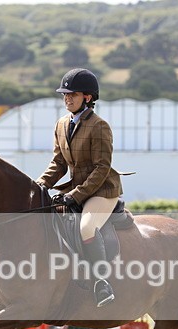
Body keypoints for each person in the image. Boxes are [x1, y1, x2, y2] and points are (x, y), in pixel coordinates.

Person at [35, 68, 122, 308]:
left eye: (72, 94)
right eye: (65, 94)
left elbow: (102, 167)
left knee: (86, 227)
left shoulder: (99, 126)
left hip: (102, 190)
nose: (66, 98)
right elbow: (59, 163)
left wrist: (75, 195)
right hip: (76, 188)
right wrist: (40, 184)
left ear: (87, 97)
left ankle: (102, 282)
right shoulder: (62, 124)